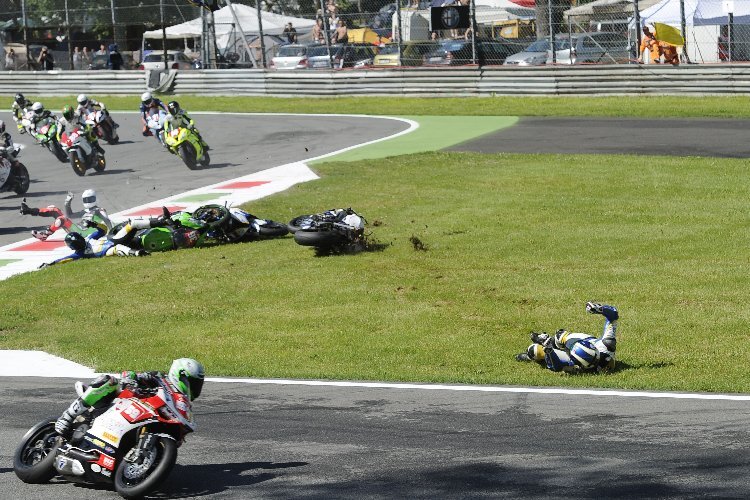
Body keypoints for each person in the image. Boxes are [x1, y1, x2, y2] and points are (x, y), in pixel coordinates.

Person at [54, 358, 204, 439]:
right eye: (192, 382)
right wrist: (131, 379)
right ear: (180, 375)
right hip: (121, 403)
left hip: (144, 417)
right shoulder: (159, 377)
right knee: (109, 381)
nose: (193, 387)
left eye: (197, 385)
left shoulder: (180, 402)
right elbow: (130, 374)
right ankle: (67, 416)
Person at [516, 302, 619, 374]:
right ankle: (547, 339)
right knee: (559, 337)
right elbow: (613, 316)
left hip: (576, 352)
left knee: (535, 351)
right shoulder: (607, 344)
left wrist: (549, 351)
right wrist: (599, 309)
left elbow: (555, 367)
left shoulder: (574, 362)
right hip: (578, 341)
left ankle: (539, 348)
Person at [20, 188, 112, 241]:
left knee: (62, 219)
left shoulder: (99, 210)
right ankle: (28, 210)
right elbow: (70, 215)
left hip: (85, 234)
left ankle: (45, 235)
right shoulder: (85, 211)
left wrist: (111, 234)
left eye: (90, 199)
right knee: (54, 209)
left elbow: (107, 220)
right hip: (79, 229)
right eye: (86, 199)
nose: (88, 202)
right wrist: (67, 202)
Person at [40, 228, 148, 267]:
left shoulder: (89, 237)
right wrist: (50, 264)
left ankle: (160, 221)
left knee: (132, 227)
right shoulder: (79, 254)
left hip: (113, 240)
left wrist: (93, 224)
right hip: (108, 250)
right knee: (118, 248)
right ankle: (138, 253)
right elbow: (63, 260)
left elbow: (102, 230)